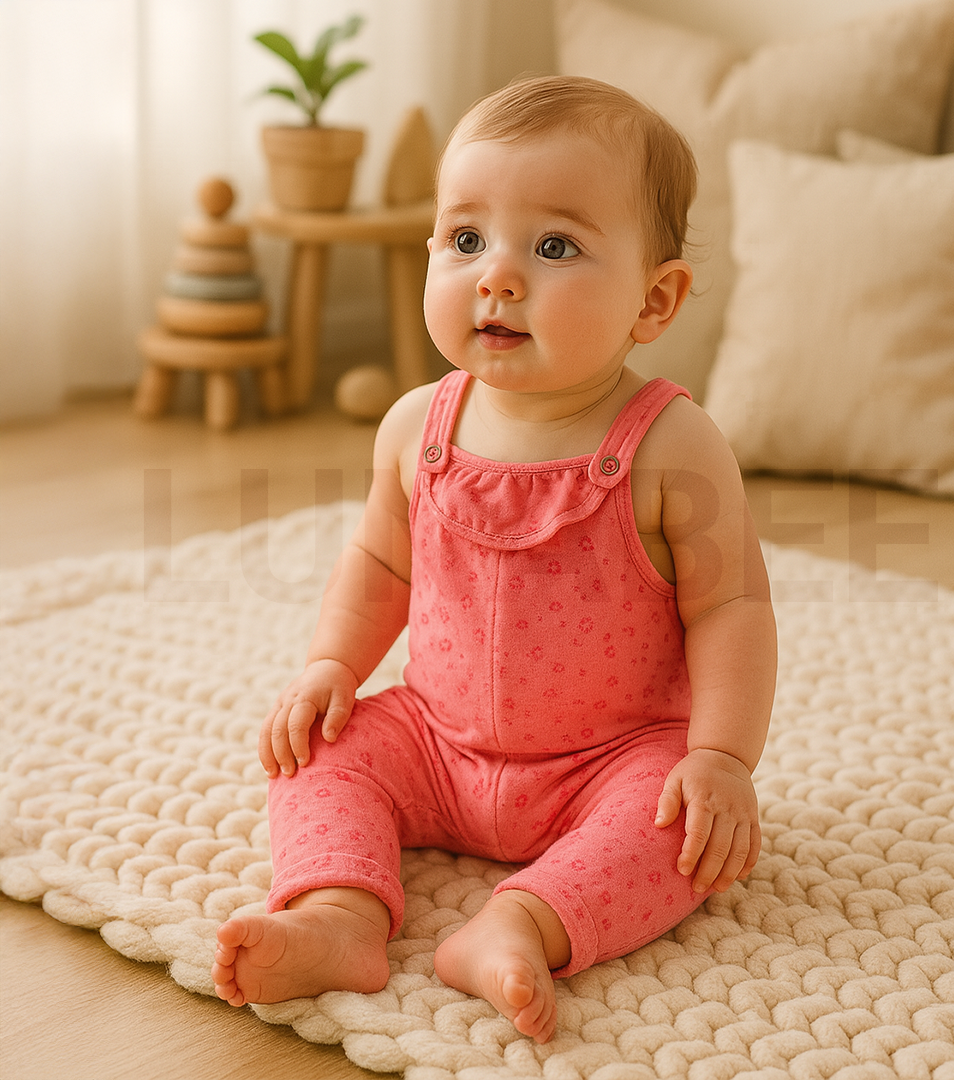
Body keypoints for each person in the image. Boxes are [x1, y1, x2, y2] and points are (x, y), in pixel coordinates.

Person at [212, 74, 777, 1044]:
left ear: (655, 298)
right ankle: (339, 915)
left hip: (608, 758)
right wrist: (331, 668)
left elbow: (732, 609)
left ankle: (522, 921)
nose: (497, 275)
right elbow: (381, 566)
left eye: (554, 246)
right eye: (466, 238)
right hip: (435, 742)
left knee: (679, 831)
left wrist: (721, 757)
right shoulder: (413, 427)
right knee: (321, 750)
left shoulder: (672, 446)